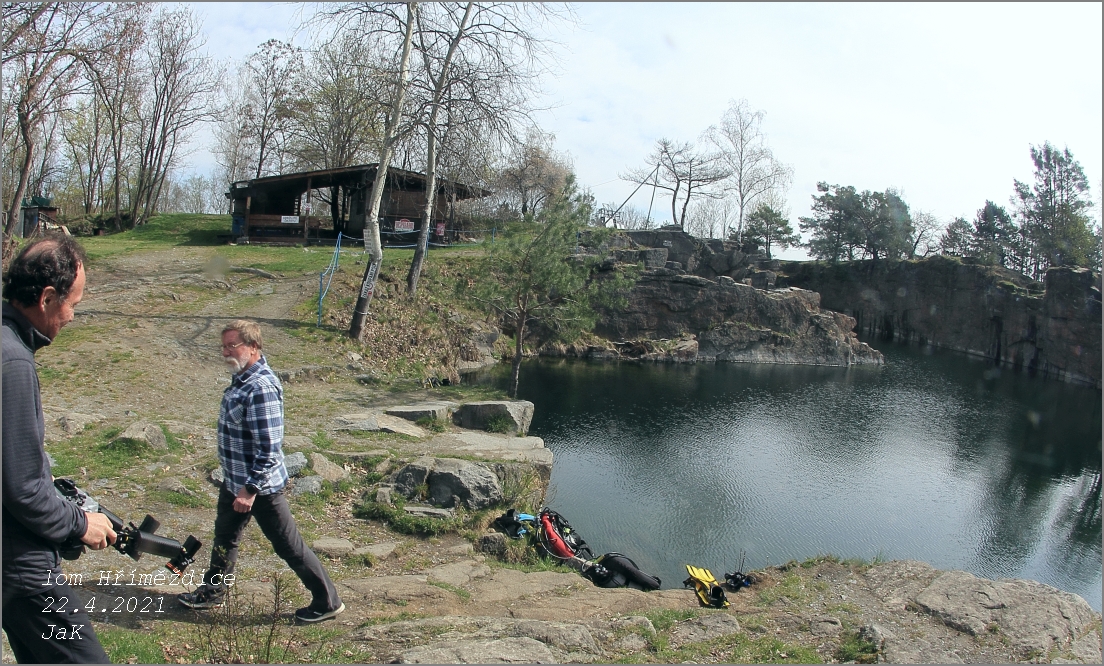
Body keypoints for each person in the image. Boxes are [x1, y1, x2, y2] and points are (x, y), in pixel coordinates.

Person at [178, 320, 344, 623]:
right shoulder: (242, 379)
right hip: (235, 481)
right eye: (223, 346)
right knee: (224, 539)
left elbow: (269, 449)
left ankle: (328, 601)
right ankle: (213, 592)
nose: (225, 352)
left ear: (253, 347)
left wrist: (249, 489)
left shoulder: (261, 387)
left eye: (232, 346)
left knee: (288, 545)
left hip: (260, 489)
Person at [2, 235, 116, 664]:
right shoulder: (12, 362)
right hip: (22, 567)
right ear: (47, 298)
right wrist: (79, 522)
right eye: (73, 304)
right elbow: (22, 489)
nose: (72, 316)